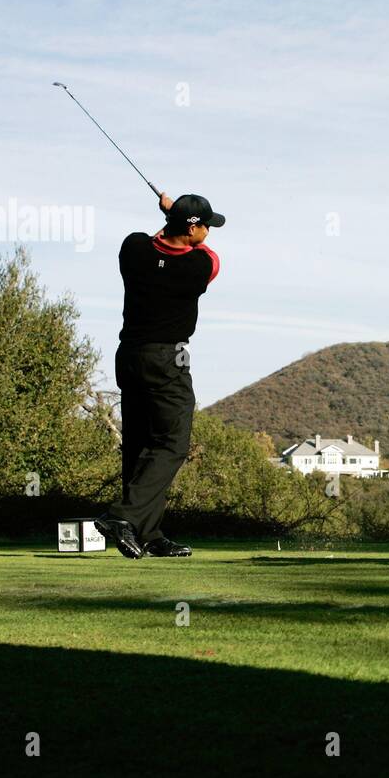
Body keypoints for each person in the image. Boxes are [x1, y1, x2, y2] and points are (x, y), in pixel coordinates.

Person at [94, 193, 223, 558]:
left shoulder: (133, 248)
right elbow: (210, 258)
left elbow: (157, 245)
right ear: (193, 228)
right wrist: (174, 216)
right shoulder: (198, 267)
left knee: (139, 446)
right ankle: (122, 516)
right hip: (167, 358)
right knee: (172, 442)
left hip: (130, 356)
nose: (210, 233)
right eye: (206, 226)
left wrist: (173, 220)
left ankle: (148, 535)